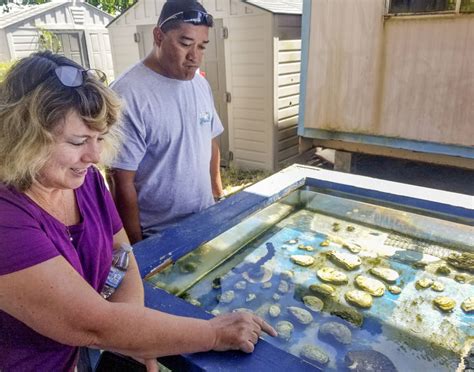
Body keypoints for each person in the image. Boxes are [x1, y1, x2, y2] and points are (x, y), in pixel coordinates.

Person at [0, 51, 276, 371]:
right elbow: (92, 325)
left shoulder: (82, 179)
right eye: (78, 141)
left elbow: (121, 252)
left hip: (73, 357)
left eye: (100, 137)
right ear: (24, 138)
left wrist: (131, 334)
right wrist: (213, 334)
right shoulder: (7, 219)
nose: (94, 155)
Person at [108, 0, 225, 243]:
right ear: (158, 36)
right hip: (158, 234)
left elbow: (211, 143)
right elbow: (120, 181)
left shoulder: (200, 84)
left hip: (205, 219)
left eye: (202, 46)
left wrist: (217, 198)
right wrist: (137, 246)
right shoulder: (127, 94)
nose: (195, 57)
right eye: (185, 43)